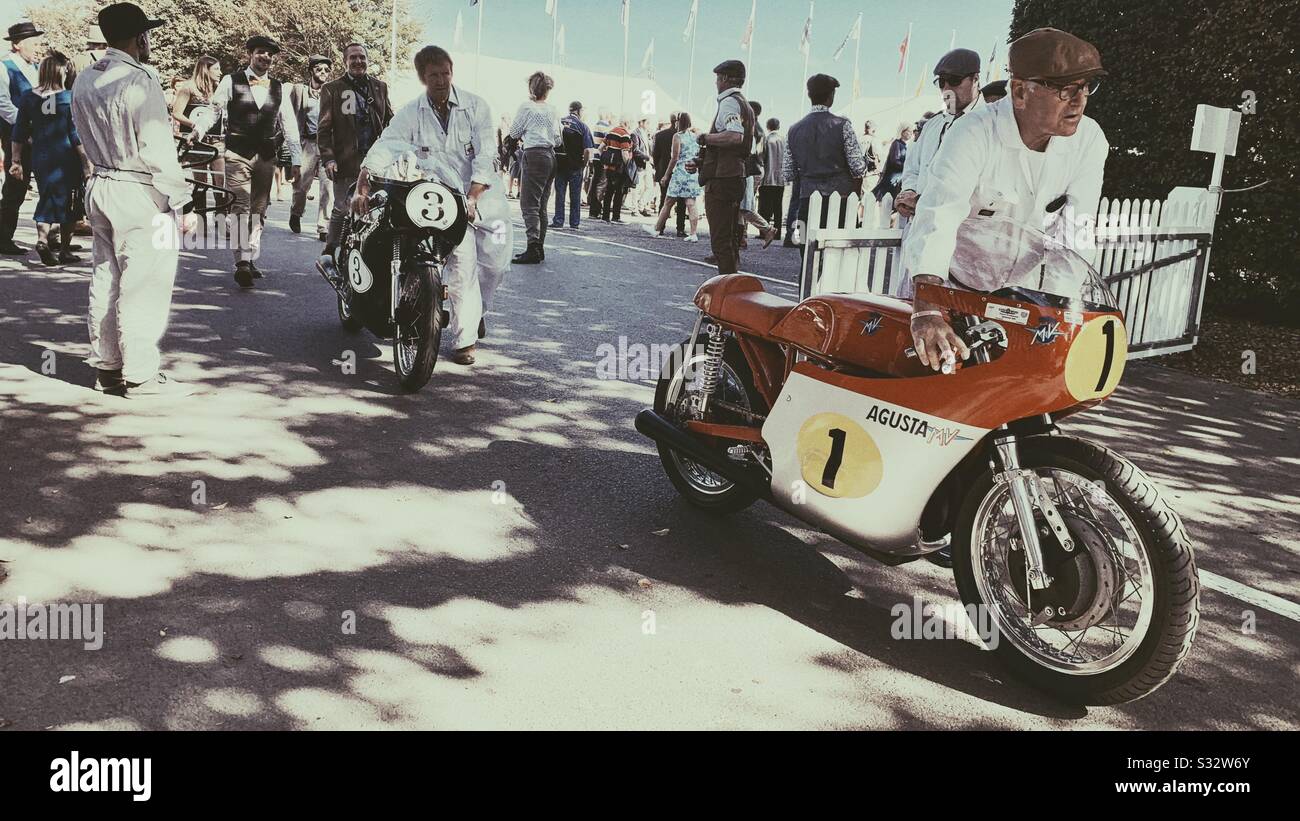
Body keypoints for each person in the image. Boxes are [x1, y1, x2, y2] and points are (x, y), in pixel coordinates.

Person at [904, 27, 1109, 375]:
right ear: (1019, 92)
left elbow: (1076, 235)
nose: (1079, 100)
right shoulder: (972, 133)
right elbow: (939, 213)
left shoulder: (1089, 141)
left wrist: (1058, 315)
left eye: (1087, 87)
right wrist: (927, 309)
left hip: (1019, 299)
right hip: (950, 288)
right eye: (1064, 89)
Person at [351, 45, 511, 367]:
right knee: (462, 265)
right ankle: (465, 339)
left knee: (495, 265)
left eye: (445, 73)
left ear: (453, 71)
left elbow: (485, 154)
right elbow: (386, 146)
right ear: (423, 77)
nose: (441, 80)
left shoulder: (476, 107)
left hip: (484, 197)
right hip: (446, 200)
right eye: (433, 75)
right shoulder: (412, 112)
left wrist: (475, 197)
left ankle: (478, 311)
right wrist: (362, 184)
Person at [71, 2, 199, 397]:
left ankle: (108, 365)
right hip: (139, 188)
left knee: (106, 278)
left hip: (102, 182)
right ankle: (141, 375)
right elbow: (157, 145)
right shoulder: (141, 79)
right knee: (145, 282)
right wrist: (183, 201)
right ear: (140, 37)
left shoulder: (84, 79)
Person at [203, 35, 301, 287]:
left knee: (259, 208)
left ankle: (250, 254)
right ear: (249, 54)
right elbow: (213, 110)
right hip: (237, 153)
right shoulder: (230, 81)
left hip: (267, 156)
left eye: (269, 54)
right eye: (260, 52)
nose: (265, 57)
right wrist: (197, 130)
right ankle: (241, 261)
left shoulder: (280, 87)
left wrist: (297, 160)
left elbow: (288, 124)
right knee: (240, 206)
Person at [9, 51, 89, 266]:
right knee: (71, 201)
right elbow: (75, 134)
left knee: (46, 196)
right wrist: (85, 163)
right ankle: (64, 250)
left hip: (41, 157)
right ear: (61, 72)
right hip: (66, 157)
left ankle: (42, 240)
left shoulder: (28, 97)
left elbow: (19, 131)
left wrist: (16, 161)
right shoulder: (68, 98)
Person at [317, 42, 392, 265]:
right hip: (346, 160)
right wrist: (328, 158)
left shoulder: (380, 87)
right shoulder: (333, 88)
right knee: (342, 208)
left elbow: (390, 121)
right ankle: (330, 250)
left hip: (375, 162)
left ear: (368, 60)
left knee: (374, 208)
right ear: (345, 62)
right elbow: (324, 128)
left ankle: (366, 253)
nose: (358, 61)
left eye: (362, 57)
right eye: (353, 58)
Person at [896, 48, 983, 228]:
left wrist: (927, 201)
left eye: (954, 80)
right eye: (941, 82)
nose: (946, 88)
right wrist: (909, 192)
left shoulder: (990, 123)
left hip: (966, 232)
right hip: (923, 228)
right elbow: (913, 169)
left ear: (975, 79)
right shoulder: (932, 125)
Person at [783, 73, 866, 249]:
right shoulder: (842, 125)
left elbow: (788, 172)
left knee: (806, 251)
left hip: (806, 199)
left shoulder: (793, 130)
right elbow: (858, 168)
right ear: (831, 97)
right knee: (838, 252)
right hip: (840, 199)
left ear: (809, 95)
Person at [693, 59, 754, 275]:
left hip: (722, 179)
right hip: (735, 175)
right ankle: (731, 285)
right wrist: (701, 162)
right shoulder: (744, 104)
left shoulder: (729, 102)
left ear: (725, 79)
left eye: (717, 79)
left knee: (720, 242)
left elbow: (734, 136)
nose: (716, 83)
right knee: (729, 238)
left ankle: (727, 291)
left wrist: (705, 138)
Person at [0, 21, 45, 255]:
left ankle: (51, 238)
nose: (38, 47)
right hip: (16, 135)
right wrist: (26, 126)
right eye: (33, 43)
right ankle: (3, 237)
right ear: (17, 44)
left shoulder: (37, 68)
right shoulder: (3, 67)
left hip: (41, 135)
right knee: (16, 186)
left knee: (51, 183)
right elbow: (3, 104)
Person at [508, 70, 561, 265]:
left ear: (531, 88)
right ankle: (540, 246)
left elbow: (514, 131)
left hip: (534, 154)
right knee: (542, 205)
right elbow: (557, 138)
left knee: (528, 203)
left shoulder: (527, 107)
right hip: (550, 155)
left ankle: (532, 246)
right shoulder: (553, 110)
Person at [172, 55, 226, 218]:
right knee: (200, 181)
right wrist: (195, 126)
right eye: (216, 68)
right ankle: (200, 217)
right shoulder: (188, 88)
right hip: (197, 142)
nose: (220, 72)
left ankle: (221, 217)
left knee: (220, 179)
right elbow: (176, 113)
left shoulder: (219, 89)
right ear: (205, 69)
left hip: (217, 140)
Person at [288, 55, 333, 240]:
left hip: (327, 145)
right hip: (306, 142)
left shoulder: (332, 93)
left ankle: (324, 226)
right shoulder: (299, 91)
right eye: (319, 69)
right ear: (311, 71)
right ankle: (296, 212)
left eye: (326, 70)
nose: (323, 73)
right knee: (301, 185)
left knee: (328, 187)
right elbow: (288, 116)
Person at [645, 111, 701, 241]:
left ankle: (656, 229)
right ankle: (693, 234)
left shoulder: (677, 136)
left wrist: (666, 175)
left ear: (678, 122)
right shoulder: (694, 136)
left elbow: (674, 158)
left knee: (668, 202)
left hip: (680, 172)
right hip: (692, 172)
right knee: (691, 203)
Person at [737, 100, 777, 249]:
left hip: (750, 169)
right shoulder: (759, 129)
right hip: (756, 168)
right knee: (742, 206)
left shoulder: (751, 129)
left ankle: (766, 229)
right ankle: (741, 238)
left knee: (744, 206)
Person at [551, 100, 594, 231]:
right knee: (575, 195)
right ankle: (574, 223)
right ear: (579, 111)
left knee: (560, 193)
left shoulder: (559, 122)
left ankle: (558, 220)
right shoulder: (583, 126)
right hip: (575, 165)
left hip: (560, 163)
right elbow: (587, 150)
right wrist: (584, 163)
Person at [598, 120, 641, 224]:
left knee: (609, 191)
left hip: (609, 167)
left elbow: (600, 148)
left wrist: (604, 161)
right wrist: (628, 165)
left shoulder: (611, 132)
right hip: (619, 168)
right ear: (627, 123)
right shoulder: (625, 135)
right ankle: (616, 217)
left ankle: (605, 216)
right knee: (619, 192)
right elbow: (624, 152)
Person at [651, 113, 686, 236]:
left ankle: (660, 227)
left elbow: (655, 155)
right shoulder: (684, 136)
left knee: (664, 199)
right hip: (680, 172)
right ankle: (680, 229)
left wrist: (658, 169)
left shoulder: (660, 135)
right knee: (682, 200)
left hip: (664, 170)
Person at [757, 116, 786, 239]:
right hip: (780, 179)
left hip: (767, 178)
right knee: (778, 207)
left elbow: (760, 157)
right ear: (778, 126)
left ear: (768, 127)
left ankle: (765, 232)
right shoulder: (784, 140)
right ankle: (778, 233)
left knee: (765, 207)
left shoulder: (766, 139)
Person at [871, 121, 912, 206]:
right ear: (902, 131)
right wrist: (906, 167)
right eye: (908, 131)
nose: (911, 133)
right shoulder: (897, 143)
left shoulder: (904, 145)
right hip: (892, 179)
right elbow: (894, 161)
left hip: (897, 178)